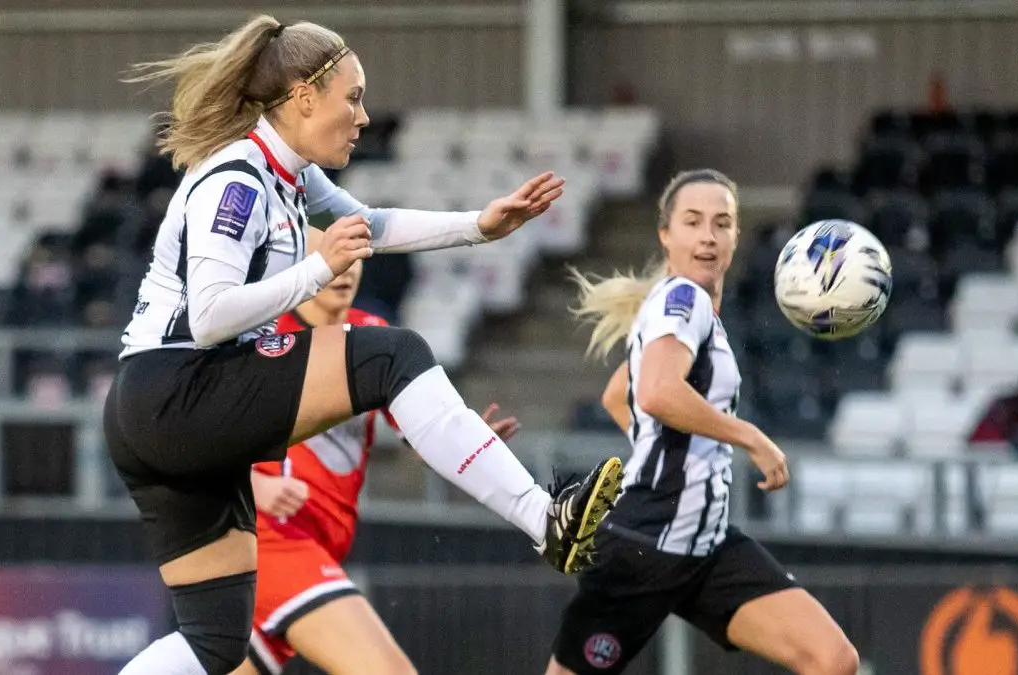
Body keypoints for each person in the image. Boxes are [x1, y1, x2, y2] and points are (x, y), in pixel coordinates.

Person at [105, 14, 624, 675]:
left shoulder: (289, 175)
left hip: (159, 411)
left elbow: (370, 224)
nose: (363, 116)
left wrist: (480, 226)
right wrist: (318, 269)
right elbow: (208, 318)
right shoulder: (238, 180)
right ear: (302, 97)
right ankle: (544, 520)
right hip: (177, 391)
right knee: (391, 355)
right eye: (351, 98)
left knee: (216, 643)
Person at [546, 170, 859, 675]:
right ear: (665, 235)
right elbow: (655, 392)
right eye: (692, 222)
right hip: (646, 544)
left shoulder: (694, 310)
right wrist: (751, 438)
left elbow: (619, 395)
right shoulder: (684, 299)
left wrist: (670, 454)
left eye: (722, 223)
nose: (708, 236)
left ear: (735, 237)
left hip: (706, 544)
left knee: (832, 660)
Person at [229, 260, 519, 675]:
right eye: (333, 257)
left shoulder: (372, 334)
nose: (346, 271)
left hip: (322, 543)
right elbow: (186, 431)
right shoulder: (264, 336)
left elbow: (419, 435)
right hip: (273, 537)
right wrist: (251, 484)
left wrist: (465, 444)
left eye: (355, 258)